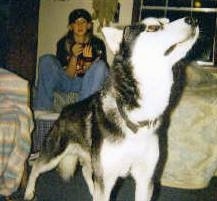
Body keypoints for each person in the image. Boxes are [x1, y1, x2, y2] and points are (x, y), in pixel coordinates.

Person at [33, 8, 109, 112]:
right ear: (70, 27)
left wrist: (88, 65)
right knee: (46, 60)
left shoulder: (97, 44)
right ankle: (42, 110)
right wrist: (74, 56)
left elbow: (100, 76)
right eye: (75, 22)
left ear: (89, 25)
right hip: (67, 80)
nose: (80, 25)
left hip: (85, 83)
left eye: (83, 22)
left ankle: (83, 114)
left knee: (100, 66)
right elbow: (68, 75)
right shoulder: (63, 43)